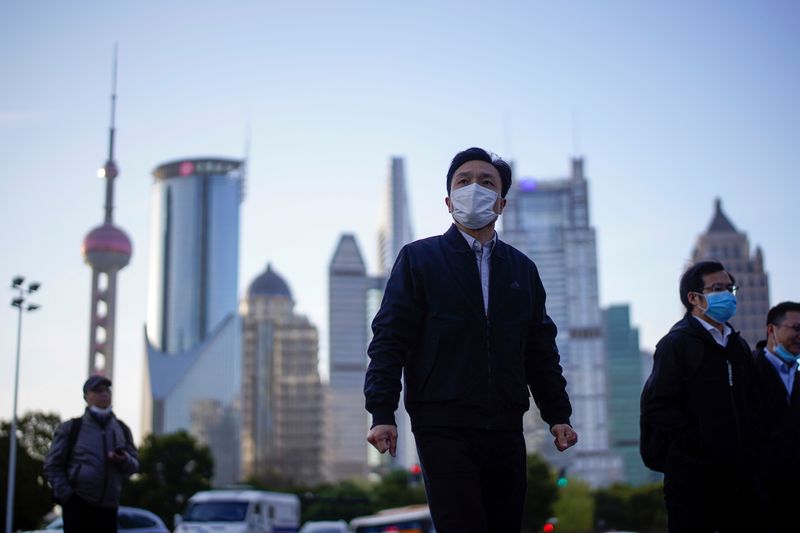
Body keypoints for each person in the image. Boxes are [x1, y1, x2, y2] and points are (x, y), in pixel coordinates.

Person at [364, 147, 577, 533]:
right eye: (463, 181)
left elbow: (540, 350)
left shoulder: (522, 270)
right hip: (442, 422)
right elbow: (389, 339)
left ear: (501, 203)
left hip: (506, 424)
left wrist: (557, 414)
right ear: (448, 201)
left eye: (486, 182)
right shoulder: (418, 260)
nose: (474, 188)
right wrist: (382, 413)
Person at [640, 261, 760, 533]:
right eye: (717, 288)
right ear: (694, 298)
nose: (727, 295)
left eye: (730, 288)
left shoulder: (737, 344)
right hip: (693, 477)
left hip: (740, 475)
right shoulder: (676, 344)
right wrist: (699, 443)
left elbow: (752, 402)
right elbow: (658, 405)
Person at [44, 375, 139, 533]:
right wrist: (69, 497)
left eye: (107, 390)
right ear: (86, 396)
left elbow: (135, 466)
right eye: (97, 390)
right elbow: (52, 465)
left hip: (109, 507)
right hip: (78, 505)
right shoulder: (72, 427)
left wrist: (124, 460)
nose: (104, 394)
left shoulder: (121, 429)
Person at [751, 301, 800, 532]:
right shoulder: (746, 371)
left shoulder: (798, 377)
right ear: (772, 330)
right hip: (757, 496)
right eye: (796, 328)